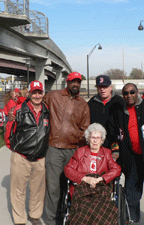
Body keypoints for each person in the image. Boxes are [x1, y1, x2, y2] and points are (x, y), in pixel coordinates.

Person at [107, 83, 144, 224]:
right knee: (132, 193)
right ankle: (133, 219)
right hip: (131, 158)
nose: (129, 95)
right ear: (122, 95)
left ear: (137, 92)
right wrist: (115, 150)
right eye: (126, 93)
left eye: (132, 92)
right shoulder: (119, 111)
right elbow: (113, 134)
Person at [42, 72, 90, 225]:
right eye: (73, 82)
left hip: (72, 150)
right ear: (67, 82)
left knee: (70, 187)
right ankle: (51, 220)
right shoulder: (52, 96)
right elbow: (35, 105)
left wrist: (77, 141)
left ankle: (69, 216)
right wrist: (16, 111)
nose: (76, 84)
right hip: (54, 148)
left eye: (78, 82)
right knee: (53, 187)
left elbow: (85, 129)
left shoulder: (83, 104)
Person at [5, 80, 50, 225]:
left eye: (39, 92)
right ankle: (20, 219)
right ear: (29, 93)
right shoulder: (18, 110)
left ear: (43, 93)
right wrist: (15, 149)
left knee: (38, 189)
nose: (37, 96)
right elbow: (8, 133)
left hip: (40, 158)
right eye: (34, 92)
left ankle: (35, 215)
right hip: (21, 156)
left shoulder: (48, 110)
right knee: (18, 190)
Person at [64, 123, 121, 225]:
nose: (95, 141)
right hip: (82, 187)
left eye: (98, 138)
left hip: (101, 188)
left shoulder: (107, 153)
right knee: (85, 206)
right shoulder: (80, 152)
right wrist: (85, 178)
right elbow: (68, 170)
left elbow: (116, 169)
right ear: (88, 139)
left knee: (102, 207)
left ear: (102, 140)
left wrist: (101, 179)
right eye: (93, 137)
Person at [88, 75, 124, 148]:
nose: (102, 89)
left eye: (105, 87)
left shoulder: (119, 101)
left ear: (111, 87)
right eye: (100, 87)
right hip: (97, 144)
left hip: (116, 143)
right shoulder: (91, 103)